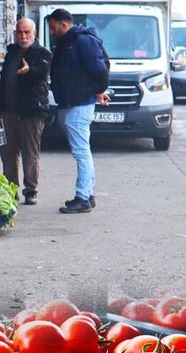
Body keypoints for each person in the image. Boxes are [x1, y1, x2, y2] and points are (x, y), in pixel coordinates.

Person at [48, 8, 110, 214]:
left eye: (52, 26)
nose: (51, 31)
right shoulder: (67, 42)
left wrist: (99, 90)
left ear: (63, 24)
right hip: (71, 103)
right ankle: (87, 194)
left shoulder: (82, 41)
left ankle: (82, 197)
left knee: (81, 151)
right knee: (83, 150)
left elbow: (101, 68)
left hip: (79, 104)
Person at [0, 18, 52, 205]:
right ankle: (11, 190)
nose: (23, 36)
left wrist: (29, 70)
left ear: (34, 34)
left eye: (27, 32)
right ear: (15, 34)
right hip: (8, 113)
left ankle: (30, 190)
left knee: (30, 153)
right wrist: (0, 109)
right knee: (8, 155)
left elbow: (41, 72)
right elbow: (3, 81)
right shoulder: (11, 52)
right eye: (20, 32)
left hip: (31, 114)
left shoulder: (42, 53)